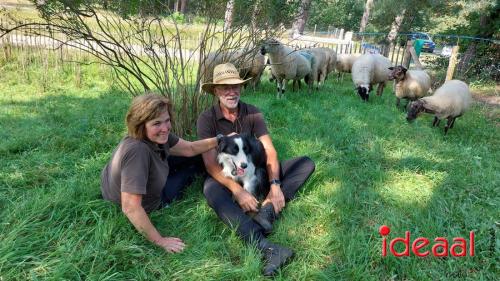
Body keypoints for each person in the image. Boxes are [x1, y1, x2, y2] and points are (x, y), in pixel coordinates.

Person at [197, 63, 315, 276]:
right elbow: (210, 164)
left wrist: (275, 185)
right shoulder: (207, 119)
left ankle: (267, 209)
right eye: (225, 87)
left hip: (256, 172)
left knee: (305, 163)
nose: (231, 92)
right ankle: (265, 245)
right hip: (226, 175)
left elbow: (269, 150)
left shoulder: (252, 112)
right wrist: (238, 191)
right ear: (215, 91)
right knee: (211, 190)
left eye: (235, 86)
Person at [101, 93, 225, 253]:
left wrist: (220, 139)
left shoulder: (155, 137)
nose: (165, 128)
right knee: (193, 168)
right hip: (148, 200)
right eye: (157, 123)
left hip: (123, 180)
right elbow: (130, 207)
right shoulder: (137, 151)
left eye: (167, 121)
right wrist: (160, 241)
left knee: (196, 157)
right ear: (140, 125)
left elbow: (190, 149)